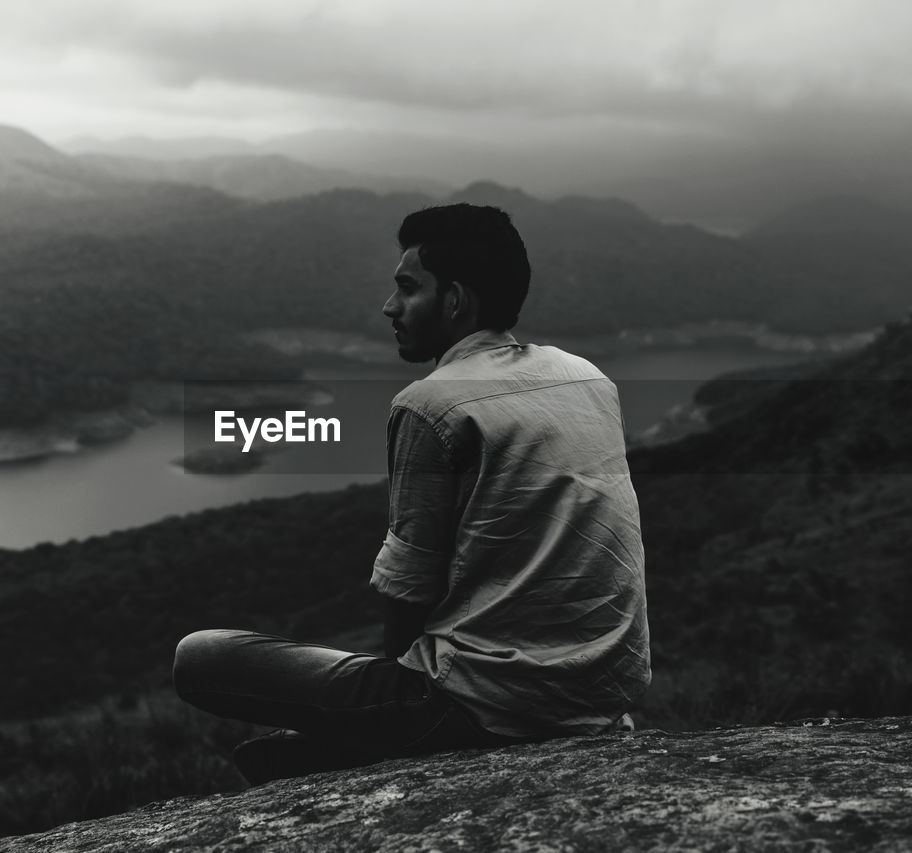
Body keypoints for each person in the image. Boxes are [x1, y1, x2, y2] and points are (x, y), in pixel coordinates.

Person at [173, 203, 650, 784]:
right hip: (601, 695)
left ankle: (358, 747)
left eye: (407, 288)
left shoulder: (432, 404)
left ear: (454, 301)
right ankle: (328, 748)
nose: (390, 306)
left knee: (199, 656)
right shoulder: (587, 377)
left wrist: (384, 714)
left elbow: (409, 588)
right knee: (296, 735)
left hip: (482, 705)